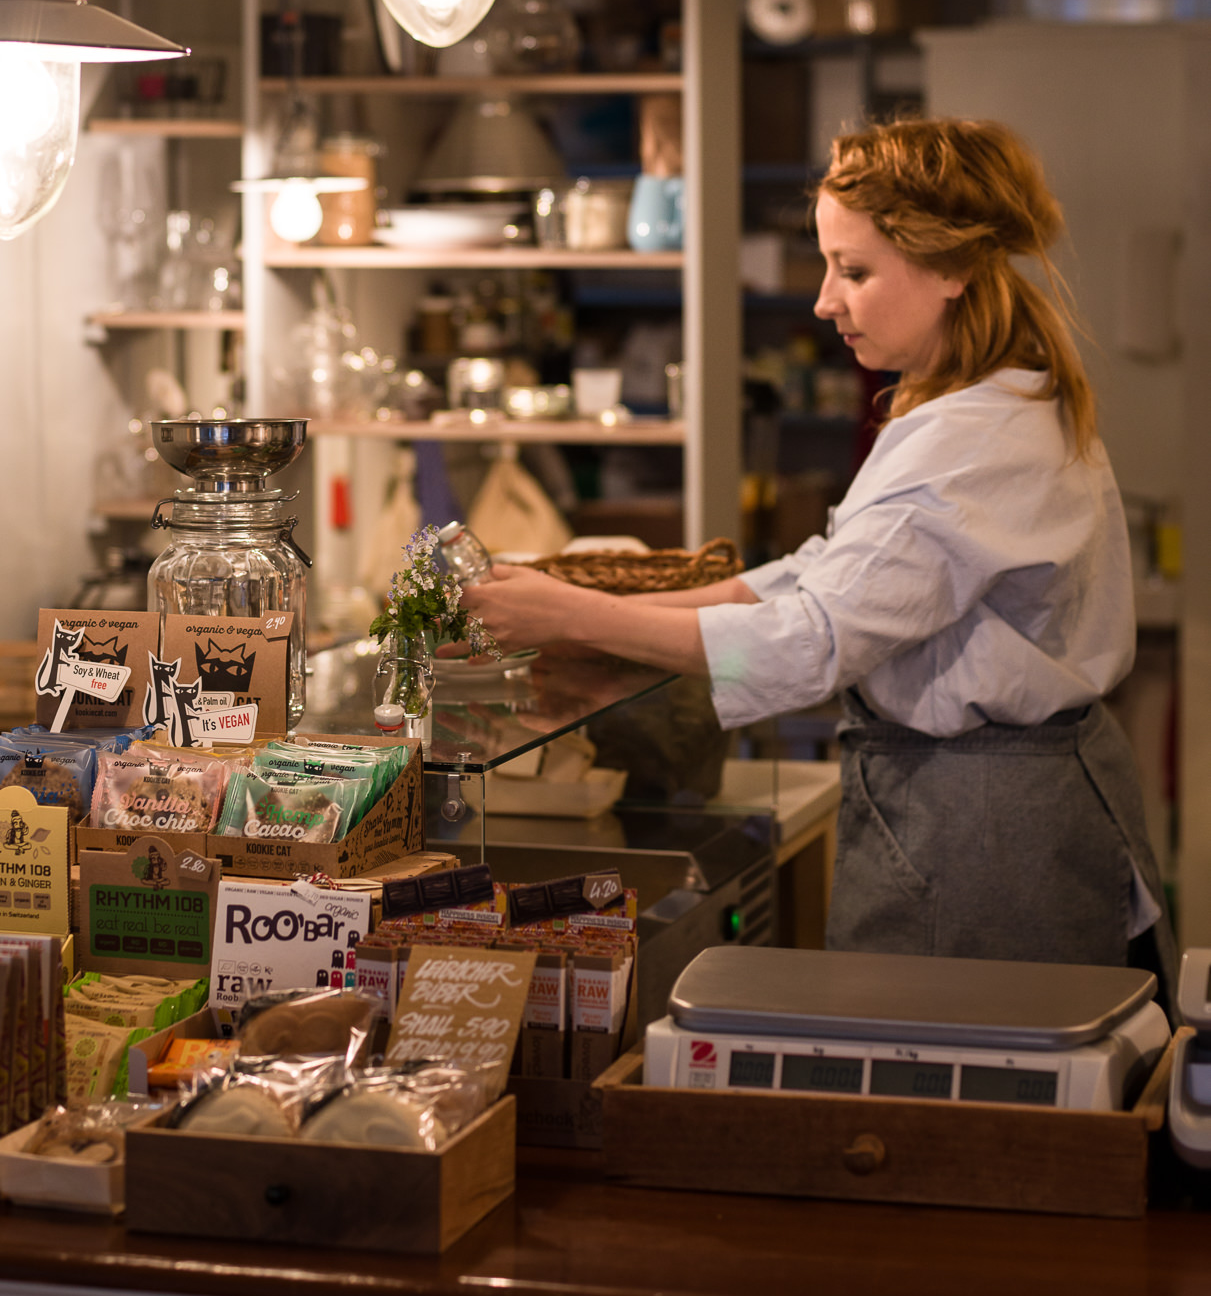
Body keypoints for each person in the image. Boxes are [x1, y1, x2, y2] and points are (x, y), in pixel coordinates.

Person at [468, 117, 1176, 985]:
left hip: (983, 833)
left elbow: (812, 641)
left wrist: (573, 612)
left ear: (951, 268)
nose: (823, 301)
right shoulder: (979, 397)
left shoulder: (971, 439)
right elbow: (822, 573)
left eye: (854, 271)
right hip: (998, 806)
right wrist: (599, 621)